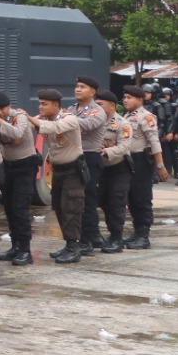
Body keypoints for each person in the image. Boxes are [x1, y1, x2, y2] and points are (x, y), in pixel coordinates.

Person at [28, 89, 87, 264]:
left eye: (44, 104)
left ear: (56, 105)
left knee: (71, 208)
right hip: (58, 170)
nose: (40, 107)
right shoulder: (44, 120)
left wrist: (30, 118)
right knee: (59, 207)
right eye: (39, 103)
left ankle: (74, 247)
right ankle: (68, 244)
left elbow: (54, 128)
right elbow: (26, 127)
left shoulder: (69, 119)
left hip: (73, 170)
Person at [0, 90, 39, 266]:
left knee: (20, 209)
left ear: (9, 106)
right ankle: (15, 246)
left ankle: (25, 250)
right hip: (8, 167)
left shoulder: (19, 116)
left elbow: (16, 133)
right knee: (9, 208)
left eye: (2, 109)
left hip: (25, 166)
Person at [122, 85, 168, 250]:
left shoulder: (146, 117)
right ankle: (136, 232)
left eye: (129, 98)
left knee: (142, 198)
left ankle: (144, 235)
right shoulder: (127, 116)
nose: (125, 100)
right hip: (129, 160)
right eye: (124, 97)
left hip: (142, 160)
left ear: (140, 100)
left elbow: (154, 141)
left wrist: (160, 165)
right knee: (131, 198)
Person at [72, 75, 111, 255]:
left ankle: (86, 241)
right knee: (74, 200)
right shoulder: (73, 109)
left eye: (82, 87)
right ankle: (90, 237)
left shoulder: (97, 111)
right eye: (77, 86)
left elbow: (86, 125)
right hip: (73, 156)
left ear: (92, 92)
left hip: (89, 157)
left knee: (87, 199)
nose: (78, 89)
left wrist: (63, 119)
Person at [94, 91, 133, 253]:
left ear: (111, 105)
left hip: (119, 167)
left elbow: (124, 147)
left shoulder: (122, 124)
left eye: (100, 104)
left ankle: (117, 237)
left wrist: (106, 152)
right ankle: (111, 233)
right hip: (101, 169)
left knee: (116, 202)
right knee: (102, 200)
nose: (97, 107)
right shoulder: (94, 122)